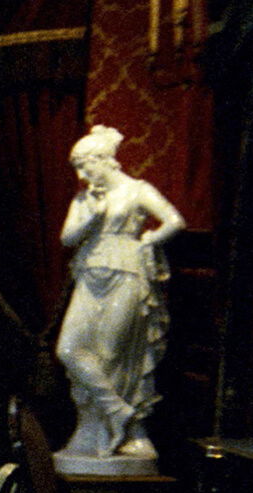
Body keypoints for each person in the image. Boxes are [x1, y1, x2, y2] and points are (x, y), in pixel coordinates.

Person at [54, 124, 184, 461]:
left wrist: (150, 239)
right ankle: (118, 411)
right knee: (68, 348)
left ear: (103, 160)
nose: (82, 175)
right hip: (91, 272)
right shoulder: (85, 199)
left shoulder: (137, 190)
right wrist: (93, 216)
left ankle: (117, 432)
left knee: (110, 354)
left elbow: (174, 220)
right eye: (77, 168)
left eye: (85, 166)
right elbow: (67, 238)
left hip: (128, 272)